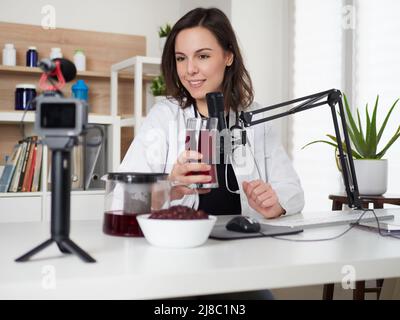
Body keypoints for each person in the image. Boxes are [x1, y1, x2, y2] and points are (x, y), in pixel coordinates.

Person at [118, 6, 304, 300]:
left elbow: (293, 191)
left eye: (202, 56)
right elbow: (124, 197)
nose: (189, 69)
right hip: (175, 267)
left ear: (228, 56)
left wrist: (274, 203)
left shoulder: (253, 119)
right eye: (181, 58)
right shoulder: (165, 117)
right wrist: (169, 186)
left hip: (240, 265)